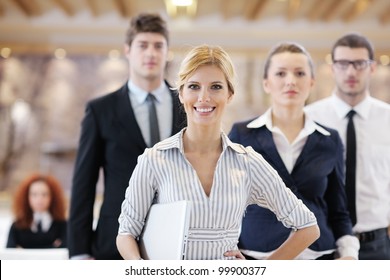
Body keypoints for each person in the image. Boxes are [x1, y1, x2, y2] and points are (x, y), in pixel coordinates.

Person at [116, 44, 320, 260]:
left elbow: (308, 227)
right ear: (182, 94)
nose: (204, 97)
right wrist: (144, 270)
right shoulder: (154, 159)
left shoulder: (247, 162)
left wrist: (262, 271)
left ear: (229, 94)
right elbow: (126, 232)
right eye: (194, 87)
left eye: (215, 87)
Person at [67, 13, 187, 260]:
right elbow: (84, 184)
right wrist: (79, 251)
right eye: (142, 45)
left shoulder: (186, 105)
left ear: (167, 52)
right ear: (127, 50)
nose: (151, 53)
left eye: (158, 46)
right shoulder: (100, 110)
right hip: (114, 239)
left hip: (178, 239)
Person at [229, 42, 359, 260]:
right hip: (256, 257)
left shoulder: (330, 140)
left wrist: (348, 254)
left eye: (299, 73)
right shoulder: (242, 134)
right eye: (280, 73)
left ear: (311, 82)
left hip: (318, 257)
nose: (290, 81)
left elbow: (339, 211)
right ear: (266, 83)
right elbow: (228, 202)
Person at [305, 33, 390, 260]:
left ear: (372, 68)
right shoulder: (309, 119)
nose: (351, 72)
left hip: (377, 245)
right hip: (323, 242)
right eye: (343, 64)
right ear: (333, 68)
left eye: (360, 64)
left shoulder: (388, 119)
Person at [6, 173, 67, 249]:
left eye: (44, 194)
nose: (39, 199)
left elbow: (66, 249)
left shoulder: (62, 225)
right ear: (26, 197)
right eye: (34, 194)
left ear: (52, 197)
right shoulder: (17, 226)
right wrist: (53, 246)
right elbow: (9, 253)